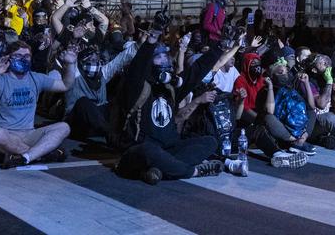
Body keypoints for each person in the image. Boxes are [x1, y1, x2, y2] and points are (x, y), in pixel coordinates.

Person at [113, 24, 226, 185]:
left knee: (210, 142)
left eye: (166, 57)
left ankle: (159, 170)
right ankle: (192, 171)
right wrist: (151, 40)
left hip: (168, 149)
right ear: (149, 63)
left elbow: (197, 70)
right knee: (148, 150)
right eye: (159, 57)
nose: (165, 60)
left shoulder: (170, 88)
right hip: (137, 151)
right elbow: (137, 69)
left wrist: (221, 46)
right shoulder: (137, 87)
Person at [0, 39, 76, 168]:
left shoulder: (36, 78)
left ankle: (25, 157)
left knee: (63, 127)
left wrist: (70, 64)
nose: (23, 59)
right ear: (9, 58)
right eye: (18, 56)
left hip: (29, 134)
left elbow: (65, 85)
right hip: (6, 136)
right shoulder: (0, 80)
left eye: (26, 56)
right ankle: (41, 153)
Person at [64, 39, 139, 141]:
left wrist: (139, 44)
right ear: (82, 63)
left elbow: (119, 61)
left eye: (97, 60)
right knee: (83, 102)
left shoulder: (102, 74)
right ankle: (111, 135)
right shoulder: (75, 76)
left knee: (117, 103)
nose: (96, 64)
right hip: (76, 122)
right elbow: (69, 64)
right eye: (92, 61)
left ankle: (126, 132)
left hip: (97, 121)